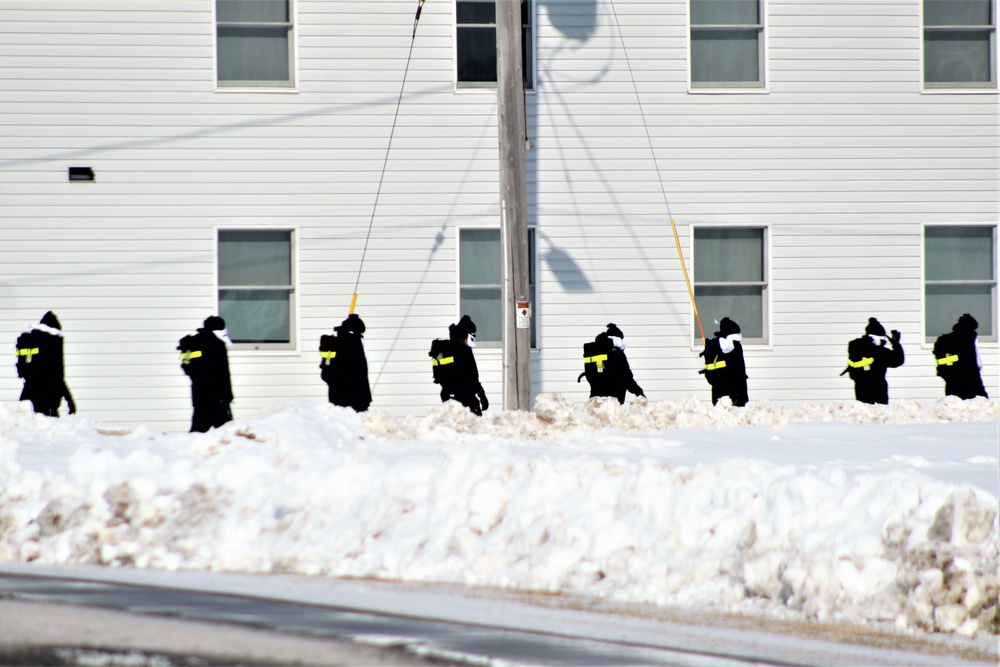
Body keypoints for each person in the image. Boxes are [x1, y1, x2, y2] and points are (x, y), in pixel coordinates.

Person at [178, 315, 233, 433]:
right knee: (226, 431)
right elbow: (224, 372)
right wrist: (228, 394)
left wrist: (197, 376)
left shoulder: (191, 343)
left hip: (199, 393)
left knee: (198, 428)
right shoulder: (218, 345)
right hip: (217, 395)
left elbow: (186, 363)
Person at [15, 311, 76, 417]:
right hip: (47, 400)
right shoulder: (52, 344)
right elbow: (58, 377)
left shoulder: (31, 340)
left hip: (32, 394)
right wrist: (69, 399)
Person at [429, 315, 488, 415]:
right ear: (465, 335)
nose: (473, 338)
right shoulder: (464, 351)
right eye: (472, 335)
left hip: (447, 396)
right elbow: (473, 378)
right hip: (464, 398)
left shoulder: (450, 348)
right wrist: (482, 396)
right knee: (472, 424)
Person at [841, 317, 904, 405]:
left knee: (879, 412)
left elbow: (897, 360)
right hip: (865, 387)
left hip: (876, 387)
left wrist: (896, 344)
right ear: (872, 337)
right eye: (881, 339)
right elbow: (897, 359)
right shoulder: (860, 347)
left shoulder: (878, 351)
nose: (883, 342)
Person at [579, 323, 645, 404]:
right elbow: (627, 377)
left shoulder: (594, 350)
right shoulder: (616, 353)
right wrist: (639, 393)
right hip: (613, 401)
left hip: (595, 399)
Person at [320, 313, 372, 412]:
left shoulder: (339, 343)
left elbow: (326, 374)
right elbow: (359, 373)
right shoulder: (352, 344)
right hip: (349, 398)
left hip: (339, 397)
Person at [933, 313, 988, 400]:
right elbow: (972, 364)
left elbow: (941, 361)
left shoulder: (944, 340)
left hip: (953, 380)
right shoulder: (964, 340)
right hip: (966, 380)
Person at [699, 316, 748, 407]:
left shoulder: (714, 346)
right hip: (734, 394)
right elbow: (740, 372)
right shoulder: (734, 346)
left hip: (720, 393)